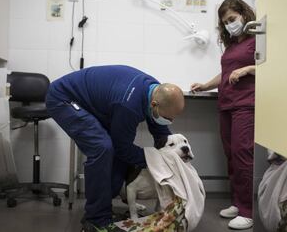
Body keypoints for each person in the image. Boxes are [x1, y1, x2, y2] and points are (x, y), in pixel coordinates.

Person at [45, 65, 185, 232]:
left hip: (93, 102)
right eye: (167, 118)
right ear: (154, 104)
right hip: (63, 98)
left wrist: (172, 155)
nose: (169, 121)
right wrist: (154, 160)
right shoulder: (129, 105)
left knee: (118, 144)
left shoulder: (155, 91)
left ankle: (103, 205)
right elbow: (122, 148)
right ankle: (95, 220)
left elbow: (160, 132)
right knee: (102, 147)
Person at [190, 0, 256, 230]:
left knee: (242, 154)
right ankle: (238, 203)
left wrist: (248, 68)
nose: (229, 24)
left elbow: (273, 67)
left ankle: (249, 211)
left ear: (244, 15)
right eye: (225, 21)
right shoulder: (232, 46)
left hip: (246, 104)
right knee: (231, 156)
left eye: (232, 19)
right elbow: (227, 72)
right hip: (226, 103)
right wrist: (206, 85)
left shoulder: (257, 39)